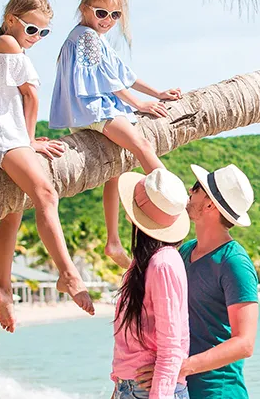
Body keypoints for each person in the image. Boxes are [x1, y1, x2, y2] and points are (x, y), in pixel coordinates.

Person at [0, 0, 93, 333]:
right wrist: (30, 140)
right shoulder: (8, 45)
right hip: (4, 138)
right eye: (32, 29)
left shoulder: (3, 47)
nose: (36, 38)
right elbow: (31, 96)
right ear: (11, 20)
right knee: (46, 195)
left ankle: (3, 288)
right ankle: (67, 272)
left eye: (43, 32)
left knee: (13, 212)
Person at [49, 0, 182, 270]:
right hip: (95, 109)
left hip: (87, 112)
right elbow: (110, 82)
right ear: (84, 9)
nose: (107, 20)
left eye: (115, 15)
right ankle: (176, 208)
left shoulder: (92, 37)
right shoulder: (85, 37)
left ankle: (113, 241)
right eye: (101, 13)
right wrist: (139, 103)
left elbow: (124, 74)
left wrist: (157, 93)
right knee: (142, 146)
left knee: (115, 170)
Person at [137, 164, 259, 399]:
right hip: (179, 388)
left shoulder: (235, 263)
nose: (189, 192)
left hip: (218, 392)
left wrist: (179, 367)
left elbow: (245, 343)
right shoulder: (185, 251)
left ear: (210, 204)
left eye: (195, 188)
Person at [110, 168, 192, 399]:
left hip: (150, 391)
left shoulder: (163, 263)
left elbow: (171, 345)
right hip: (133, 388)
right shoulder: (144, 263)